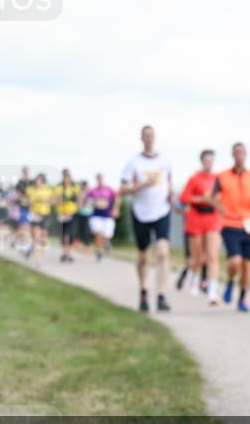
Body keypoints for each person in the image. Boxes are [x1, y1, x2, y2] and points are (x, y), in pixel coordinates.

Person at [120, 125, 174, 313]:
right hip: (141, 213)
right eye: (146, 136)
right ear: (141, 138)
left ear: (155, 138)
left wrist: (172, 198)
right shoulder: (133, 162)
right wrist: (141, 186)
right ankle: (143, 291)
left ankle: (161, 295)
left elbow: (169, 184)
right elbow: (123, 189)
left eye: (152, 136)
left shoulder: (165, 161)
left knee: (162, 253)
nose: (149, 139)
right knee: (143, 256)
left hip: (162, 211)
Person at [214, 142, 250, 312]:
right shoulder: (222, 176)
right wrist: (219, 207)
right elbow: (212, 197)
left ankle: (242, 299)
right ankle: (230, 282)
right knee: (235, 261)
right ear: (232, 154)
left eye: (242, 152)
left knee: (247, 265)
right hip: (230, 223)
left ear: (246, 155)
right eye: (236, 152)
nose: (239, 155)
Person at [179, 149, 222, 305]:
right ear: (202, 161)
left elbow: (223, 197)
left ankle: (212, 290)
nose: (209, 163)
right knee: (198, 256)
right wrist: (201, 198)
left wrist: (216, 200)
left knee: (212, 255)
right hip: (196, 217)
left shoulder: (218, 178)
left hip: (212, 218)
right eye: (206, 160)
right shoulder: (195, 178)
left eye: (211, 160)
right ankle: (193, 276)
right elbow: (184, 197)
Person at [86, 173, 119, 261]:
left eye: (101, 179)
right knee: (98, 234)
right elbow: (86, 201)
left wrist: (116, 209)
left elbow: (118, 198)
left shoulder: (109, 189)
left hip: (108, 216)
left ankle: (105, 242)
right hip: (96, 215)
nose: (100, 180)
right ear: (96, 180)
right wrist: (93, 203)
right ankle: (99, 251)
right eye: (98, 179)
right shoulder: (92, 191)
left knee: (107, 235)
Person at [26, 174, 54, 264]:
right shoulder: (30, 190)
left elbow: (53, 201)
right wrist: (30, 202)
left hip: (45, 214)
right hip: (35, 215)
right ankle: (38, 259)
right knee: (36, 235)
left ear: (43, 182)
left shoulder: (48, 190)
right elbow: (28, 202)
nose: (37, 183)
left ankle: (32, 247)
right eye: (36, 181)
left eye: (39, 181)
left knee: (43, 236)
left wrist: (47, 201)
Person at [55, 169, 80, 263]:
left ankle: (68, 253)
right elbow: (56, 201)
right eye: (64, 176)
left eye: (67, 176)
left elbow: (79, 200)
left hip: (72, 214)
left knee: (71, 234)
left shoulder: (74, 187)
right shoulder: (59, 188)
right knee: (64, 234)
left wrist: (76, 209)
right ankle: (65, 253)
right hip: (62, 214)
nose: (66, 178)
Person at [76, 180, 94, 254]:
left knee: (86, 230)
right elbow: (78, 203)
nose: (83, 187)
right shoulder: (79, 193)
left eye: (84, 185)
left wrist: (83, 202)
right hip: (80, 213)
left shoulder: (89, 193)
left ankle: (88, 245)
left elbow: (89, 203)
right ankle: (82, 243)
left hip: (87, 213)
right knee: (81, 229)